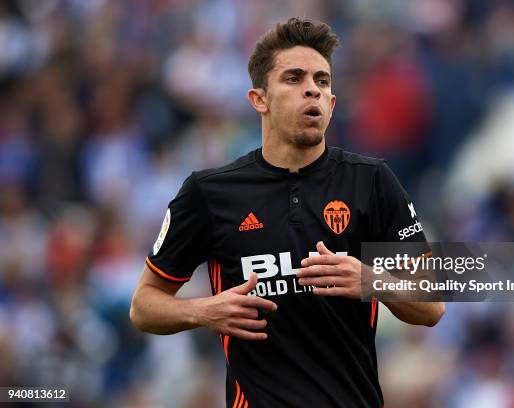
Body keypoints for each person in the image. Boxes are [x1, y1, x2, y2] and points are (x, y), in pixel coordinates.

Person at [130, 17, 445, 408]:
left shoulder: (372, 182)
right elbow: (143, 306)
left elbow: (432, 303)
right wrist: (203, 311)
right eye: (294, 79)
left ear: (331, 103)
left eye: (322, 81)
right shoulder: (209, 193)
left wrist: (369, 279)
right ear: (259, 99)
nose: (311, 89)